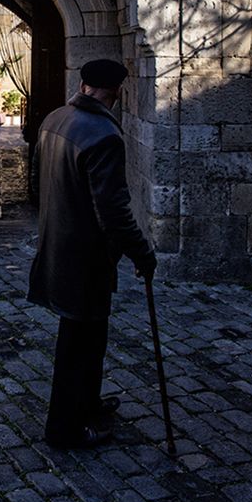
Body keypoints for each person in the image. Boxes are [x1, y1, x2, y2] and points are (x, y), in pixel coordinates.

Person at [28, 59, 157, 449]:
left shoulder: (54, 118)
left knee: (84, 337)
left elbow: (36, 183)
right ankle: (64, 429)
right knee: (80, 343)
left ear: (83, 85)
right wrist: (141, 253)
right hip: (84, 257)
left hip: (57, 246)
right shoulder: (103, 134)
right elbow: (113, 211)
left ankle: (86, 402)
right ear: (116, 92)